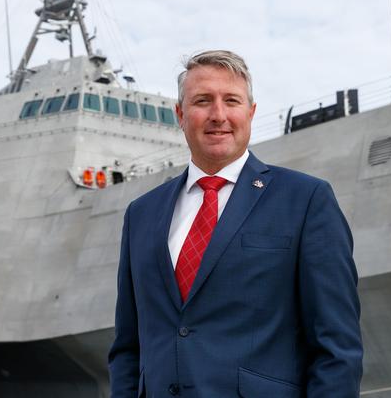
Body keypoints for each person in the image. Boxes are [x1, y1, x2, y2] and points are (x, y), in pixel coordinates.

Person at [108, 50, 363, 397]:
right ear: (181, 114)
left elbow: (337, 347)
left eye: (231, 100)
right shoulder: (141, 214)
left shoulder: (305, 200)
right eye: (202, 101)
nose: (218, 115)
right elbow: (128, 347)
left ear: (250, 112)